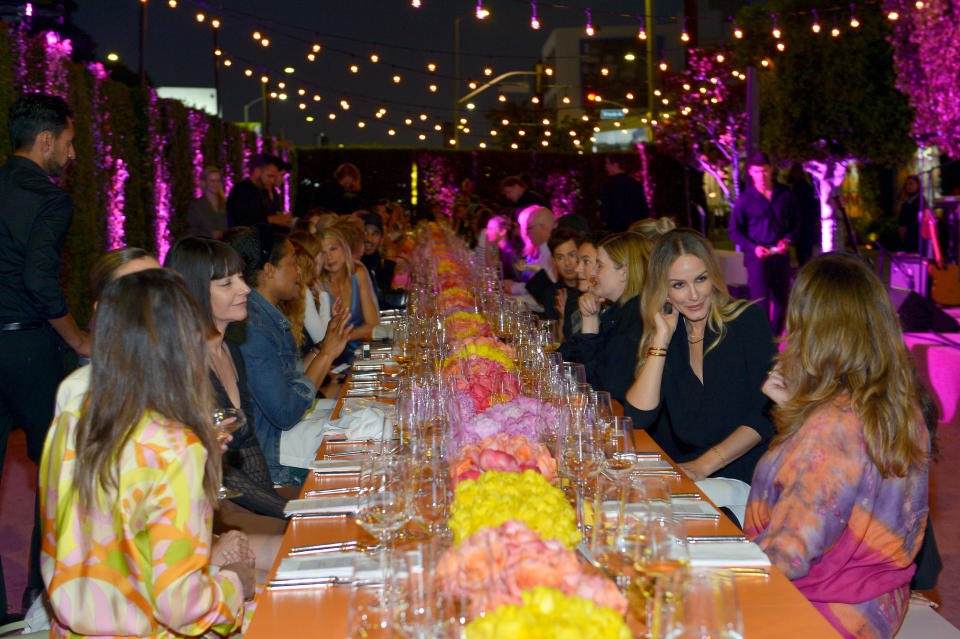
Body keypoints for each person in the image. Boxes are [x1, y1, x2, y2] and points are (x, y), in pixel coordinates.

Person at [40, 269, 254, 638]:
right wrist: (236, 585)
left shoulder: (74, 417)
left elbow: (93, 538)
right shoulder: (174, 444)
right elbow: (183, 609)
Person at [746, 253, 930, 639]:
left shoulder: (831, 427)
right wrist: (795, 412)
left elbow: (787, 556)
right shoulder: (896, 404)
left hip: (820, 611)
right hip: (877, 599)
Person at [0, 93, 90, 618]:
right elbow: (39, 281)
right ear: (47, 140)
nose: (73, 155)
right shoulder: (50, 198)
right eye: (71, 142)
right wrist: (78, 339)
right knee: (56, 472)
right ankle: (42, 601)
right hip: (30, 347)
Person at [625, 230, 776, 520]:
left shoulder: (746, 321)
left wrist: (703, 465)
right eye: (679, 285)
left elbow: (766, 416)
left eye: (701, 279)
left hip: (748, 475)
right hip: (698, 476)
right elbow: (638, 417)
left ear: (713, 279)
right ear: (664, 291)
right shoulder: (672, 336)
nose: (694, 295)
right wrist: (661, 339)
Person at [167, 237, 290, 520]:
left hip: (243, 504)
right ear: (193, 293)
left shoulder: (231, 351)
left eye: (240, 278)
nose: (245, 289)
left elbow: (247, 446)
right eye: (226, 284)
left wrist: (278, 506)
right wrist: (285, 511)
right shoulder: (182, 364)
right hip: (202, 514)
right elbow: (216, 469)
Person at [228, 224, 352, 484]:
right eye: (293, 262)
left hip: (284, 437)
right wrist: (327, 355)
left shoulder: (266, 313)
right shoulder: (252, 325)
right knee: (365, 441)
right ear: (270, 270)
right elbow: (285, 412)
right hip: (275, 455)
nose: (299, 270)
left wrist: (322, 348)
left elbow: (289, 379)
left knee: (359, 411)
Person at [55, 247, 163, 416]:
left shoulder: (185, 371)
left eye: (161, 285)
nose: (153, 299)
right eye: (136, 290)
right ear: (104, 309)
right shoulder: (82, 390)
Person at [560, 232, 649, 407]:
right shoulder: (617, 312)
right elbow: (565, 360)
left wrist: (590, 325)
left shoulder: (635, 319)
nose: (592, 273)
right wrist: (589, 320)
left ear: (623, 273)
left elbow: (601, 388)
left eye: (599, 265)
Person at [728, 152, 796, 335]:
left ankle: (773, 338)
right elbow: (734, 231)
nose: (762, 176)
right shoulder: (745, 199)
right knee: (760, 302)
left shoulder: (784, 194)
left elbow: (797, 222)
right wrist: (753, 247)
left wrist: (788, 239)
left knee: (782, 301)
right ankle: (762, 343)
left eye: (765, 170)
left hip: (780, 255)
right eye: (757, 171)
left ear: (771, 169)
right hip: (757, 256)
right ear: (751, 172)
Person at [318, 227, 378, 350]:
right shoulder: (317, 284)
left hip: (362, 351)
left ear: (344, 248)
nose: (329, 256)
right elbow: (319, 337)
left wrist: (342, 338)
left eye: (333, 249)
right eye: (323, 253)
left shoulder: (358, 273)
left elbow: (372, 325)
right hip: (329, 356)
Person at [279, 231, 332, 353]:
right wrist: (324, 298)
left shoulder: (303, 287)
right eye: (320, 252)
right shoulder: (302, 289)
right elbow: (321, 338)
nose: (324, 257)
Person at [225, 153, 292, 228]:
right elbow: (241, 223)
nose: (273, 181)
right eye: (270, 176)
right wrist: (271, 219)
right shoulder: (241, 190)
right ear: (257, 172)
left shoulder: (264, 191)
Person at [538, 227, 582, 340]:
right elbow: (554, 342)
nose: (567, 263)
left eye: (572, 255)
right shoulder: (552, 294)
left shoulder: (593, 290)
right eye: (560, 257)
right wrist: (562, 320)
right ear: (554, 261)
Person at [506, 206, 557, 296]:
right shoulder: (543, 251)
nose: (526, 233)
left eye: (529, 228)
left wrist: (513, 295)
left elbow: (543, 294)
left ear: (543, 227)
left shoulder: (552, 253)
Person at [601, 154, 649, 232]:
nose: (605, 166)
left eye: (607, 163)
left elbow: (606, 211)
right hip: (634, 229)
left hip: (616, 231)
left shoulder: (609, 185)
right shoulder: (635, 183)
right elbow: (643, 209)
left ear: (615, 165)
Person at [358, 211, 397, 301]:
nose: (369, 239)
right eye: (365, 232)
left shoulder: (382, 264)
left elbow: (384, 295)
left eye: (374, 234)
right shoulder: (354, 264)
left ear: (381, 238)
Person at [787, 164, 819, 266]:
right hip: (804, 228)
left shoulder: (800, 187)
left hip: (803, 229)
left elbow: (799, 209)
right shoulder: (803, 187)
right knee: (804, 256)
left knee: (804, 257)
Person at [185, 165, 228, 239]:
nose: (215, 184)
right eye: (212, 181)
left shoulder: (226, 204)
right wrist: (209, 234)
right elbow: (192, 233)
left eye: (218, 181)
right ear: (204, 183)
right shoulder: (196, 206)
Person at [897, 175, 922, 253]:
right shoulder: (906, 199)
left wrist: (907, 228)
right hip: (905, 234)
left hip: (915, 235)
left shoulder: (920, 200)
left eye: (911, 184)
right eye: (907, 184)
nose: (908, 186)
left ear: (917, 185)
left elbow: (917, 218)